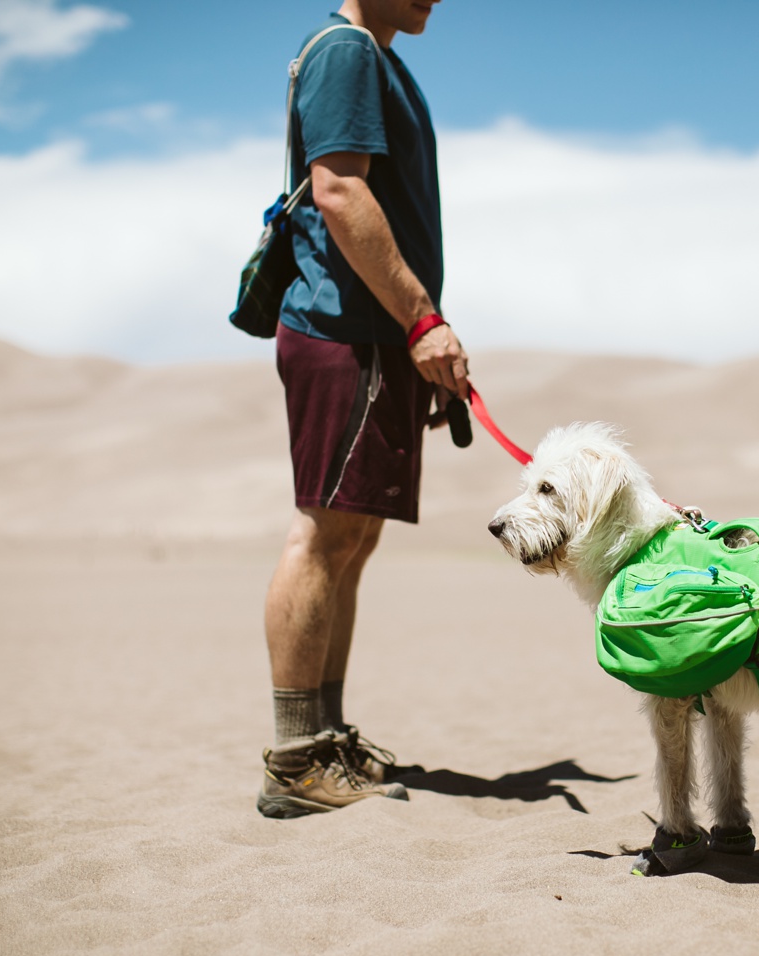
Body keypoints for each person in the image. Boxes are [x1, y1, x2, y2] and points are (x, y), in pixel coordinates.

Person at [257, 0, 468, 818]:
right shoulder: (346, 50)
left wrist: (413, 331)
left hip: (379, 339)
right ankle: (294, 757)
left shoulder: (381, 61)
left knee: (353, 537)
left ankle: (326, 735)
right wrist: (421, 319)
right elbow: (340, 191)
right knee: (323, 532)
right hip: (347, 332)